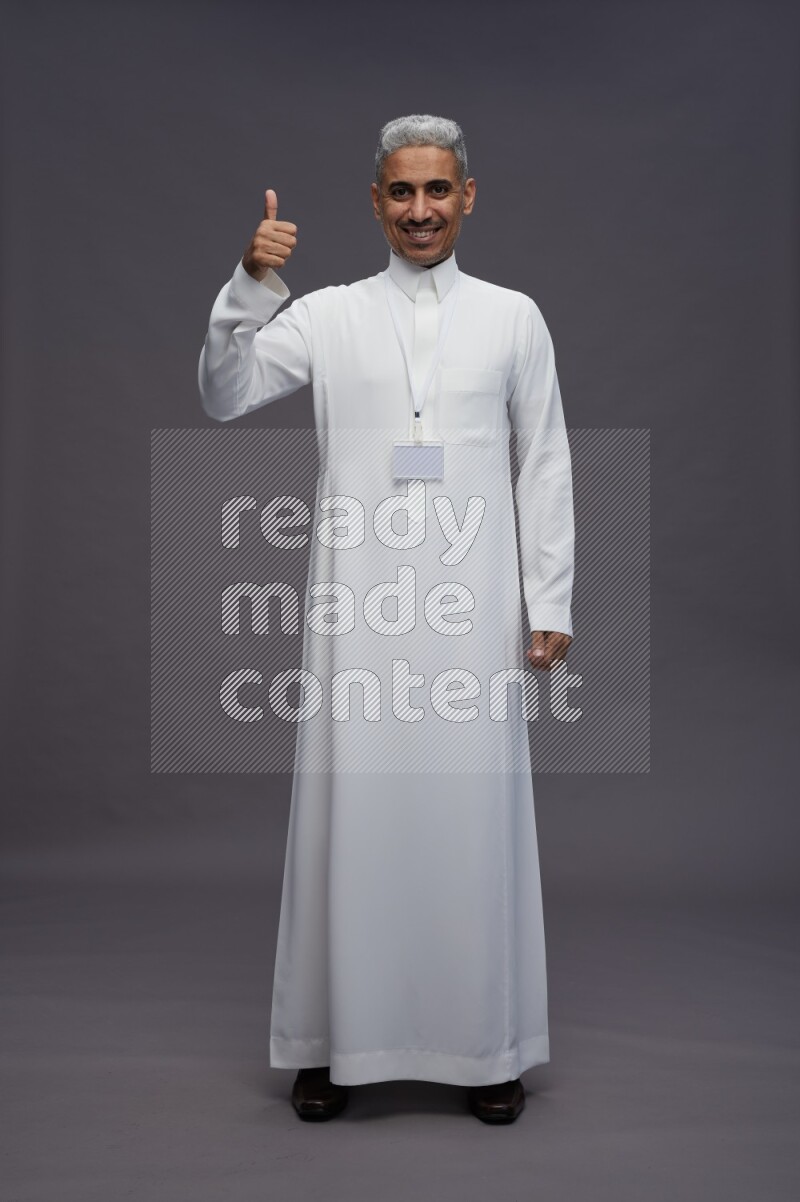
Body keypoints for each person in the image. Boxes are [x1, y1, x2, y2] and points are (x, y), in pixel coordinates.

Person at [198, 114, 575, 1124]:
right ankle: (330, 1042)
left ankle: (484, 1044)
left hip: (475, 602)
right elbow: (224, 394)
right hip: (355, 601)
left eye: (436, 191)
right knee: (346, 808)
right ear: (375, 202)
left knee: (472, 814)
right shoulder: (325, 315)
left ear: (467, 196)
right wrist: (247, 284)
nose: (419, 211)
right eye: (400, 193)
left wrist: (550, 600)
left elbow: (542, 459)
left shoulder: (512, 317)